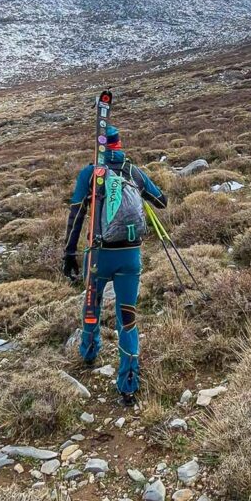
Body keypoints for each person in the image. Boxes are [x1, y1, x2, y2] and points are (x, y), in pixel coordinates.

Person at [63, 124, 167, 405]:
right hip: (130, 257)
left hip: (98, 256)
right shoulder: (133, 171)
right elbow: (162, 201)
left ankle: (88, 352)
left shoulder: (90, 174)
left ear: (98, 146)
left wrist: (69, 254)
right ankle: (128, 384)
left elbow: (76, 218)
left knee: (91, 305)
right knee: (128, 319)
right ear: (119, 145)